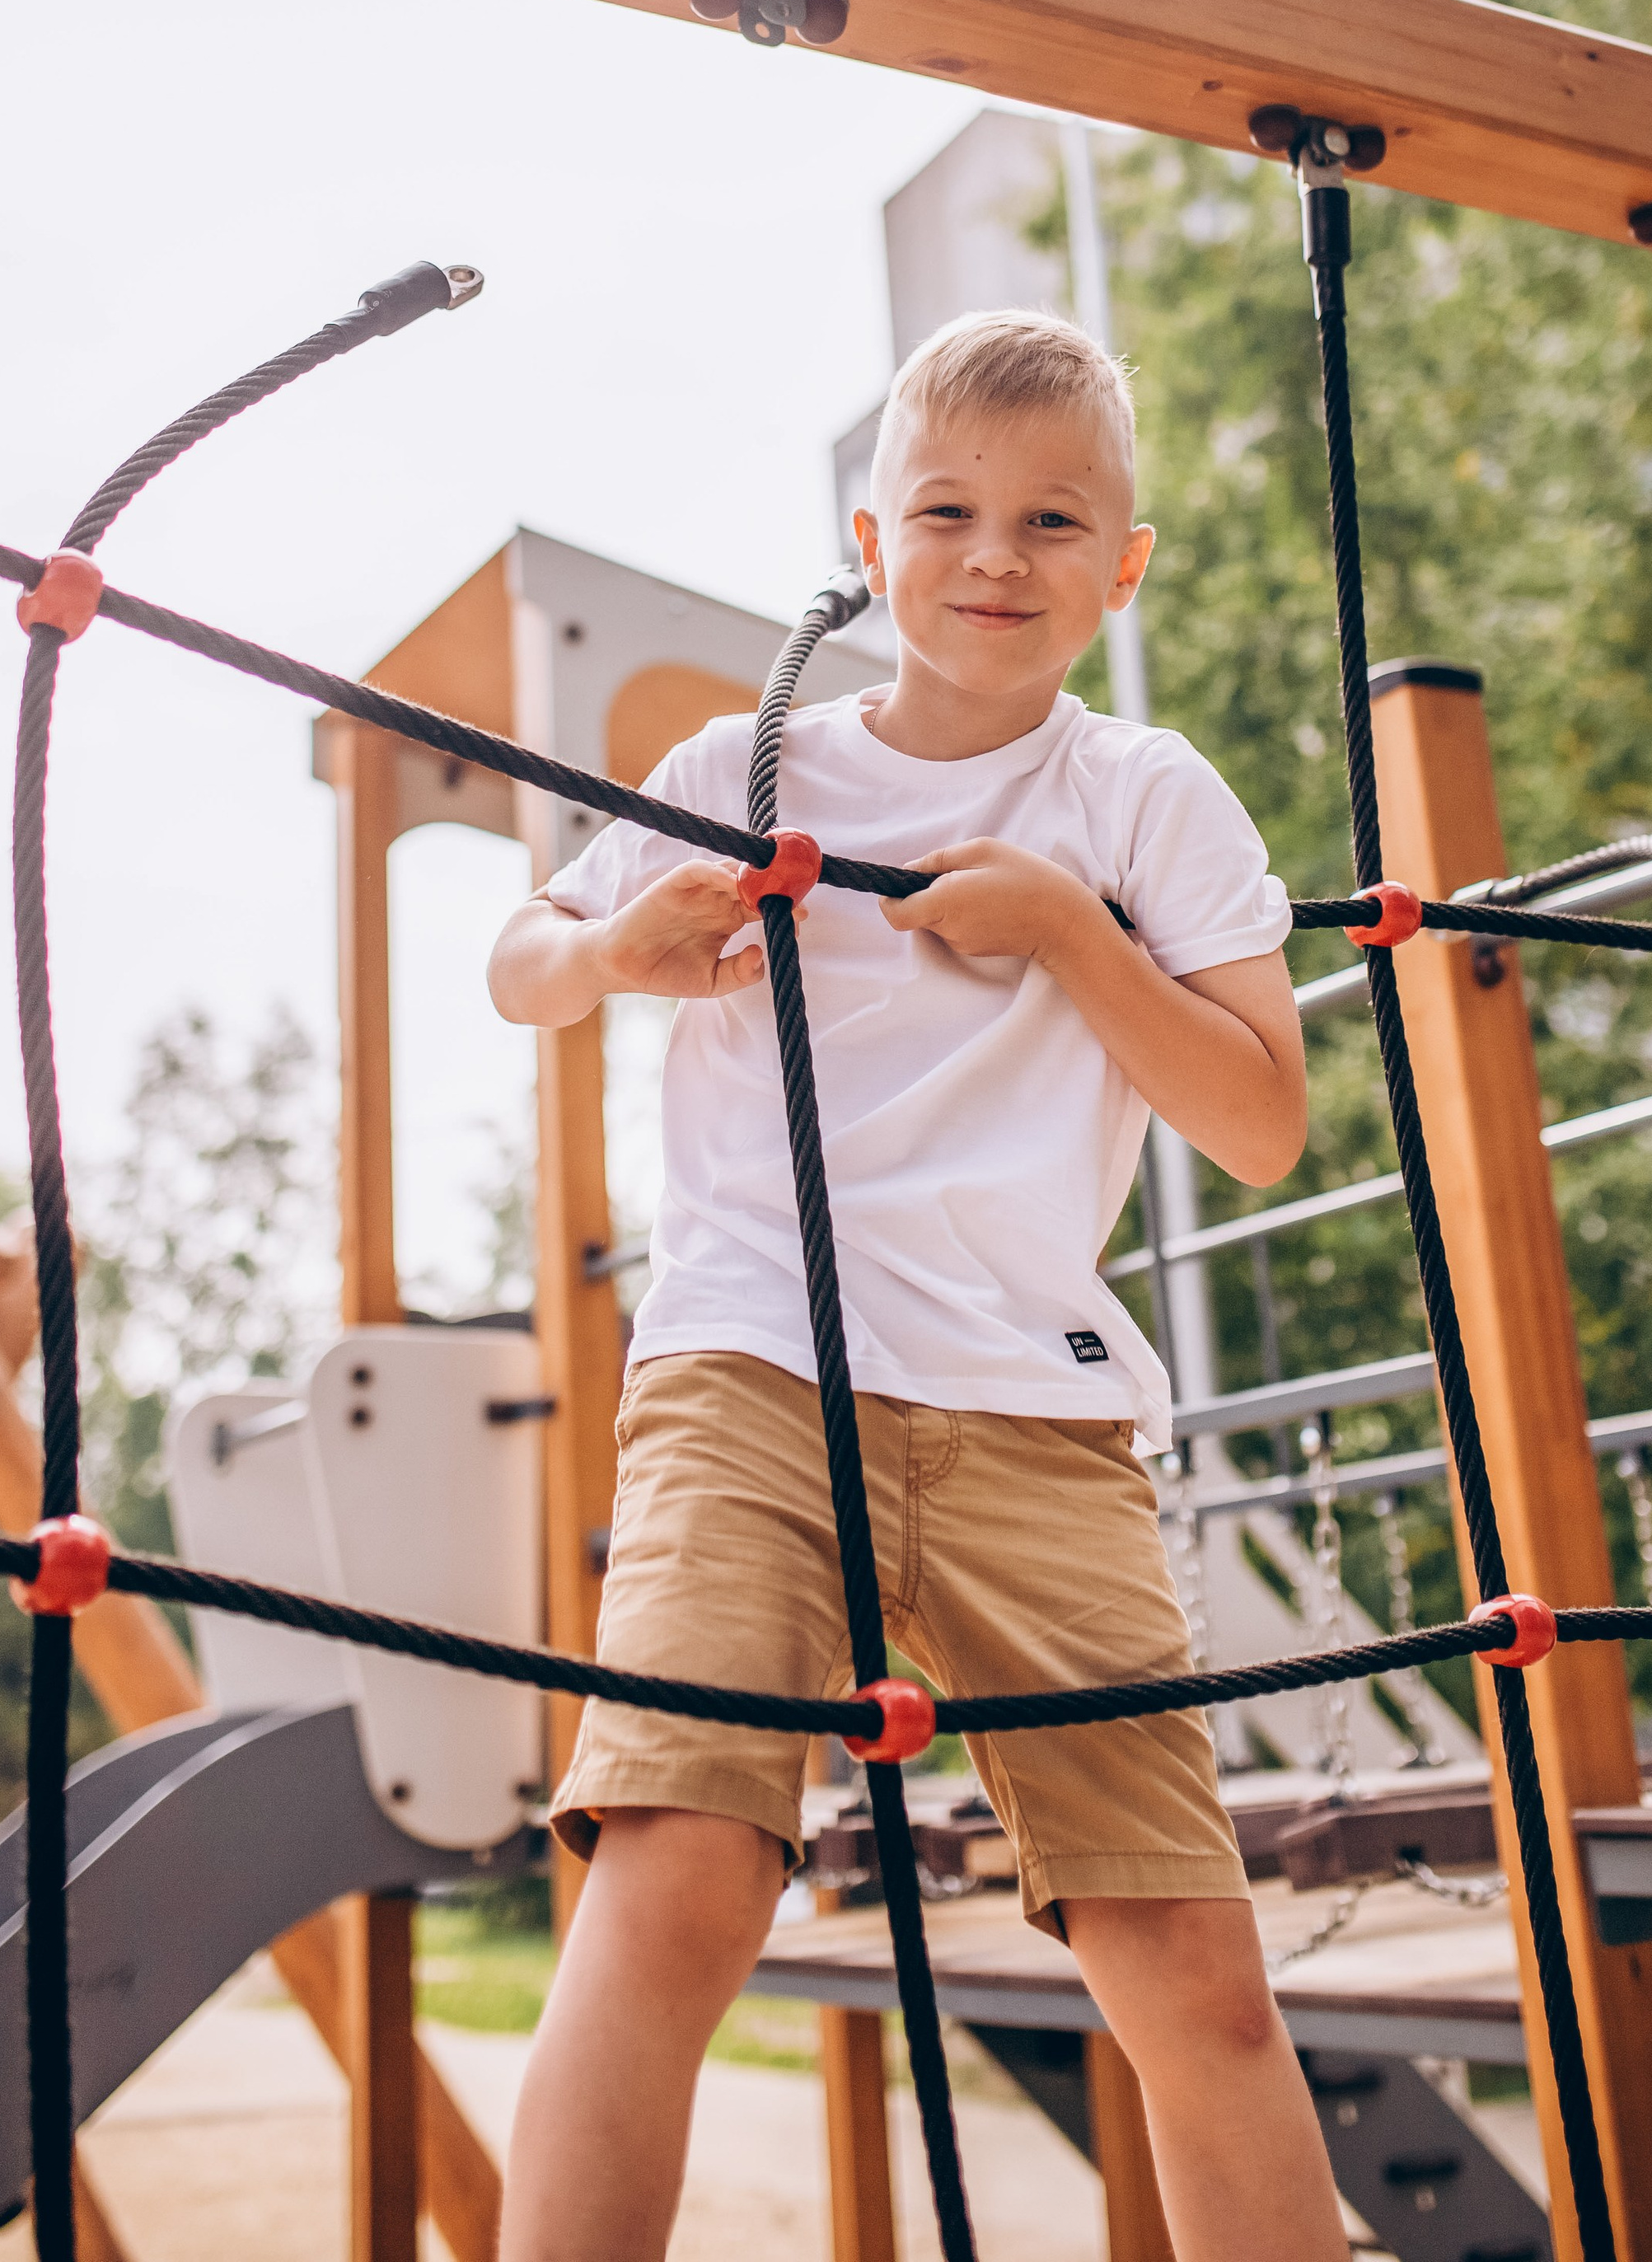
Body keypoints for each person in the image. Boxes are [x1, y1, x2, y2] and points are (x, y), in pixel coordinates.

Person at [487, 307, 1345, 2262]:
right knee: (676, 1882)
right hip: (752, 1372)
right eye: (946, 512)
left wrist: (1072, 938)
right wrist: (614, 950)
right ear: (869, 544)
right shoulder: (743, 764)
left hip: (1036, 1408)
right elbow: (518, 960)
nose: (994, 557)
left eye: (1053, 521)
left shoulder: (1140, 799)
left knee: (1192, 1970)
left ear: (1122, 568)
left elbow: (1259, 1120)